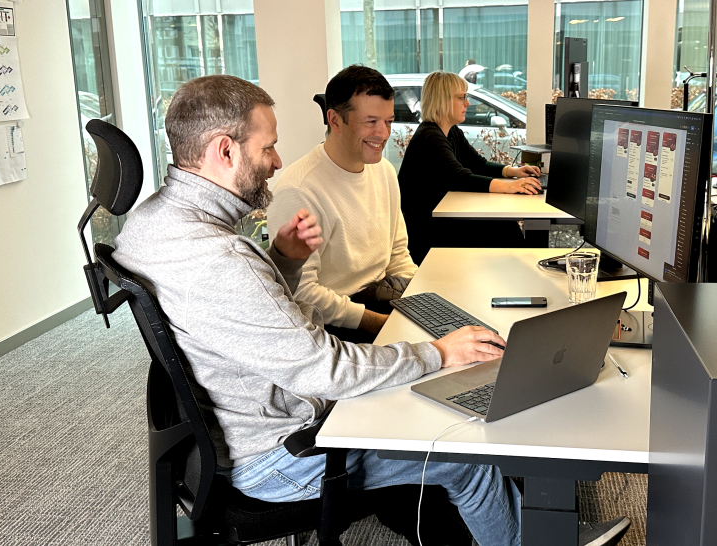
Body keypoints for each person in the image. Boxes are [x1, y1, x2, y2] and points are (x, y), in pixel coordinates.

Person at [111, 74, 524, 546]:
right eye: (267, 148)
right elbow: (324, 368)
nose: (276, 161)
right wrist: (440, 354)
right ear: (224, 151)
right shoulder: (220, 258)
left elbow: (251, 317)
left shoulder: (149, 224)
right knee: (467, 456)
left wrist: (283, 262)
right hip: (279, 455)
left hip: (235, 423)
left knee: (421, 391)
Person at [267, 65, 417, 343]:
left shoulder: (383, 170)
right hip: (338, 327)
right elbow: (303, 293)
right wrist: (381, 324)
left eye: (389, 121)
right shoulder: (299, 190)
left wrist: (420, 301)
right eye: (370, 122)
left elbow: (398, 254)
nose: (383, 134)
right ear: (335, 120)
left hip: (383, 299)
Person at [398, 71, 543, 264]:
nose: (467, 103)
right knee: (505, 229)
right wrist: (510, 186)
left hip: (442, 220)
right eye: (462, 98)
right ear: (443, 101)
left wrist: (511, 172)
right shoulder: (429, 137)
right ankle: (525, 278)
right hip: (427, 233)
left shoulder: (451, 132)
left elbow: (477, 164)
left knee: (506, 227)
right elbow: (459, 177)